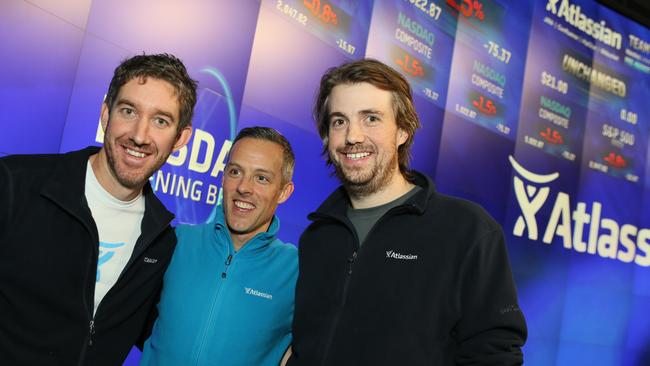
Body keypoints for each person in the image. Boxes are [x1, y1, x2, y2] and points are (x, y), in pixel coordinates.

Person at [288, 59, 527, 365]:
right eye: (339, 121)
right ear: (326, 136)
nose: (352, 136)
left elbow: (494, 354)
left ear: (402, 130)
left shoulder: (467, 230)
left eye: (371, 118)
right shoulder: (317, 237)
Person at [0, 53, 195, 365]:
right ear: (106, 113)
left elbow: (167, 337)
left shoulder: (161, 241)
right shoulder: (15, 183)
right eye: (129, 111)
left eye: (161, 121)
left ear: (180, 138)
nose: (140, 135)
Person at [140, 126, 298, 366]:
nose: (244, 187)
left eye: (262, 178)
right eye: (235, 171)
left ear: (284, 192)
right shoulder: (176, 242)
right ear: (223, 178)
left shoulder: (297, 271)